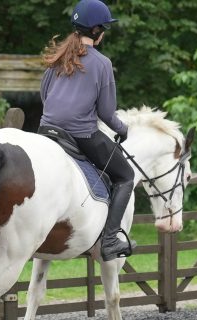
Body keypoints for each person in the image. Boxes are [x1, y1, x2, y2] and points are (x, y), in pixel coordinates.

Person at [38, 0, 135, 261]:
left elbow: (45, 96)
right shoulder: (102, 63)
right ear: (97, 30)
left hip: (46, 130)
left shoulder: (57, 59)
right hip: (80, 134)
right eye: (105, 28)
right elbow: (106, 112)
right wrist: (122, 129)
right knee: (126, 176)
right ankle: (111, 240)